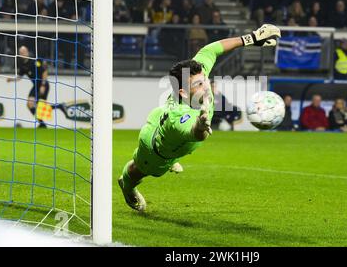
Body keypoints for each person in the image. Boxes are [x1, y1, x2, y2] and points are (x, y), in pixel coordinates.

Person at [118, 24, 281, 211]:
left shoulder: (195, 78)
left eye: (205, 80)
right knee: (140, 170)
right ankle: (126, 185)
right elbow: (195, 134)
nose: (205, 86)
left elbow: (210, 50)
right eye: (198, 84)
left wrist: (250, 38)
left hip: (164, 124)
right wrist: (201, 125)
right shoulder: (178, 117)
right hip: (155, 149)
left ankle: (164, 163)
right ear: (183, 92)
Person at [6, 46, 65, 128]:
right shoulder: (22, 65)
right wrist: (11, 79)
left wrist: (43, 85)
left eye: (24, 52)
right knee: (30, 105)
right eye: (21, 53)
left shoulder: (34, 61)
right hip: (36, 86)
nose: (23, 54)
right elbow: (19, 77)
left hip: (43, 84)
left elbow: (44, 72)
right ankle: (44, 121)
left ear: (27, 52)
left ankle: (47, 118)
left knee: (39, 106)